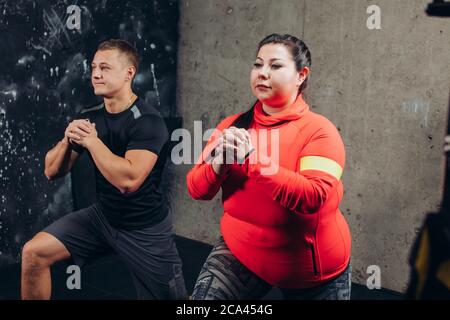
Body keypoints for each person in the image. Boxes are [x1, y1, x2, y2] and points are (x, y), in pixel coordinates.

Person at [187, 33, 352, 300]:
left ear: (301, 75)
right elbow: (197, 189)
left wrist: (252, 158)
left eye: (275, 66)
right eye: (258, 64)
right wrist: (219, 163)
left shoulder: (320, 132)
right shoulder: (233, 125)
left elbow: (313, 197)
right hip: (240, 252)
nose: (263, 73)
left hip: (310, 271)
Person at [21, 39, 187, 300]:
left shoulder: (148, 122)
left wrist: (91, 142)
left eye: (105, 68)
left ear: (128, 73)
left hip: (144, 228)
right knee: (34, 253)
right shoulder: (90, 116)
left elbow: (128, 182)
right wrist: (67, 141)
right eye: (94, 67)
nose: (96, 74)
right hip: (102, 218)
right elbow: (51, 171)